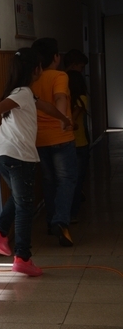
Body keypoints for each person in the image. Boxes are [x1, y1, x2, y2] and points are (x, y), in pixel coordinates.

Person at [0, 48, 73, 277]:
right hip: (18, 156)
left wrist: (63, 118)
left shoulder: (24, 93)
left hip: (3, 155)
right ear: (36, 70)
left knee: (20, 198)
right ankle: (22, 257)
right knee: (25, 206)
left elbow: (46, 106)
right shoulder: (22, 93)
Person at [31, 37, 77, 247]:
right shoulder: (59, 76)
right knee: (66, 180)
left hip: (39, 138)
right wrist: (62, 119)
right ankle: (60, 221)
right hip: (61, 137)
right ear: (56, 57)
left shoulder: (32, 78)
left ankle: (51, 222)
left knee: (49, 181)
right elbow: (60, 97)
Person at [67, 70, 90, 222]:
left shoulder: (62, 99)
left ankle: (67, 213)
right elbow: (72, 121)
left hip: (66, 143)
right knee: (77, 180)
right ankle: (72, 213)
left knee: (66, 180)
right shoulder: (82, 99)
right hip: (80, 143)